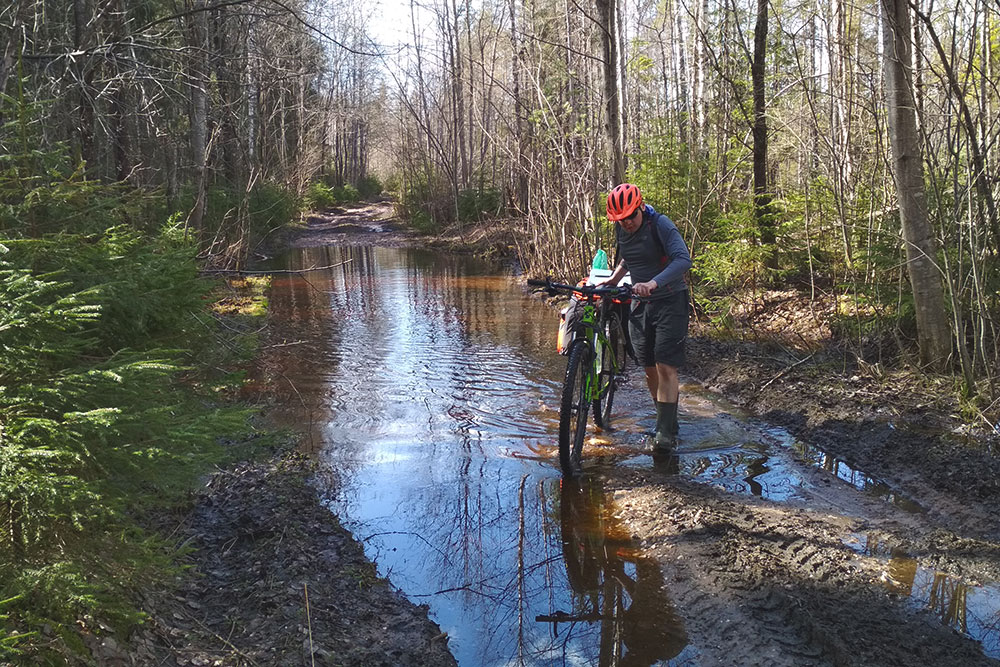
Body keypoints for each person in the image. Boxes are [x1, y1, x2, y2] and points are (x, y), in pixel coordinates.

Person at [600, 183, 692, 451]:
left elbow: (683, 260)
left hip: (669, 301)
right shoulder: (622, 229)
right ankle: (666, 422)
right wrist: (613, 280)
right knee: (649, 367)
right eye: (620, 219)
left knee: (666, 366)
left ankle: (664, 434)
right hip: (640, 304)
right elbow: (628, 258)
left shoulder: (660, 225)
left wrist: (653, 283)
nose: (626, 223)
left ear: (640, 207)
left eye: (630, 217)